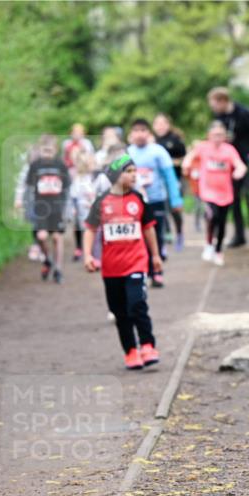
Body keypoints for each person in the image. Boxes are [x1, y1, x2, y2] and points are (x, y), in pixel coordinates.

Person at [83, 154, 161, 370]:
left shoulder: (138, 199)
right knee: (120, 312)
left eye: (135, 171)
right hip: (111, 268)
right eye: (129, 172)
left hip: (136, 262)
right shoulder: (101, 202)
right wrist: (88, 255)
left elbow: (148, 228)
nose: (134, 175)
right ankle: (131, 351)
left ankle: (147, 345)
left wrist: (155, 256)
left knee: (137, 304)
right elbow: (90, 229)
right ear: (116, 176)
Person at [126, 118, 183, 288]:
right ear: (131, 134)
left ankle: (157, 272)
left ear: (149, 133)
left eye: (143, 130)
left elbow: (170, 177)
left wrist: (176, 199)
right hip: (135, 202)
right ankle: (142, 271)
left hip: (156, 200)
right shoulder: (127, 153)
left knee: (156, 236)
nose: (140, 134)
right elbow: (116, 177)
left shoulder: (158, 152)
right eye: (136, 131)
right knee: (139, 238)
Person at [207, 87, 249, 247]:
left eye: (214, 104)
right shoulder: (219, 118)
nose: (213, 108)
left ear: (223, 101)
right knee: (234, 198)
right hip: (229, 164)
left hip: (247, 160)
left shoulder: (244, 114)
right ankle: (239, 235)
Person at [189, 121, 247, 266]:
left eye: (221, 135)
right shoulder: (203, 147)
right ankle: (209, 244)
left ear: (225, 136)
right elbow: (189, 158)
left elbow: (240, 165)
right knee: (212, 216)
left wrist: (239, 172)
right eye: (215, 134)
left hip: (225, 193)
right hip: (208, 192)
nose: (218, 137)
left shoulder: (229, 150)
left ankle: (218, 250)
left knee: (221, 223)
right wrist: (187, 166)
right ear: (209, 135)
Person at [19, 135, 70, 284]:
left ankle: (58, 269)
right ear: (40, 150)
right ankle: (47, 260)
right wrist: (27, 206)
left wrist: (66, 208)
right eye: (44, 150)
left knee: (56, 237)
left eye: (50, 150)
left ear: (56, 150)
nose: (47, 153)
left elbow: (67, 187)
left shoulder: (61, 165)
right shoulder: (35, 166)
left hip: (57, 207)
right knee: (41, 237)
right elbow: (29, 187)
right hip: (41, 207)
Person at [153, 113, 188, 251]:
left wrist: (170, 162)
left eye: (163, 123)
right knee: (161, 207)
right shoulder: (152, 141)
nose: (160, 126)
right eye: (157, 124)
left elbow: (185, 159)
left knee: (174, 208)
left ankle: (179, 233)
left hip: (175, 179)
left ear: (168, 125)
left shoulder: (175, 140)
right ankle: (166, 234)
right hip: (158, 181)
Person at [68, 151, 100, 263]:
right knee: (88, 232)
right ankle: (89, 255)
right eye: (91, 163)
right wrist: (74, 209)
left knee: (97, 234)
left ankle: (96, 256)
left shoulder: (98, 177)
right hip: (84, 210)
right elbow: (74, 195)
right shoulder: (79, 179)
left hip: (96, 210)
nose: (94, 164)